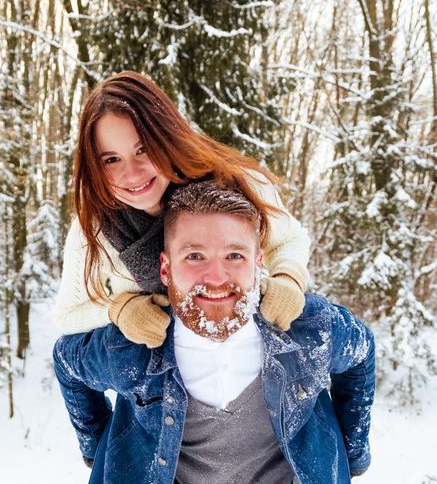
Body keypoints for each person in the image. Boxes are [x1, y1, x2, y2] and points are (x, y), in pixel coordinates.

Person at [43, 181, 396, 484]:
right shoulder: (132, 348)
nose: (216, 277)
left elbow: (361, 351)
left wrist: (352, 449)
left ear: (258, 265)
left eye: (234, 256)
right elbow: (67, 362)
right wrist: (98, 447)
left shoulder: (306, 332)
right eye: (195, 257)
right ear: (166, 269)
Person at [51, 70, 311, 347]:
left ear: (165, 138)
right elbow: (67, 315)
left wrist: (288, 279)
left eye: (142, 150)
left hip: (249, 348)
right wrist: (119, 310)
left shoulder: (235, 184)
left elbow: (290, 240)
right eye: (112, 159)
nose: (133, 174)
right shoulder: (96, 226)